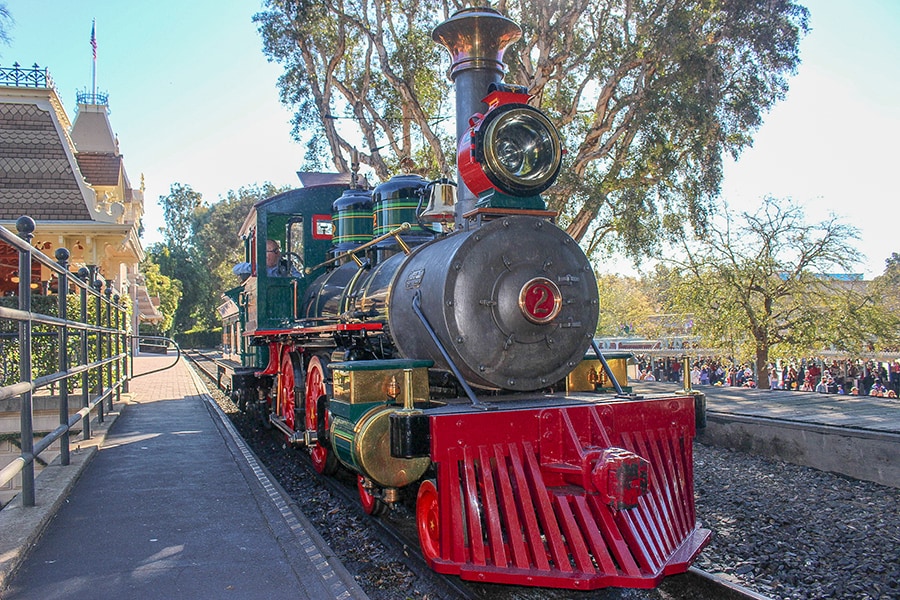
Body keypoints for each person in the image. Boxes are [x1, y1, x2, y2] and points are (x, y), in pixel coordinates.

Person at [233, 239, 302, 279]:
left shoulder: (286, 265)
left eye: (278, 250)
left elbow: (299, 279)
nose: (279, 253)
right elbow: (235, 269)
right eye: (275, 250)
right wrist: (254, 269)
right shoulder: (257, 267)